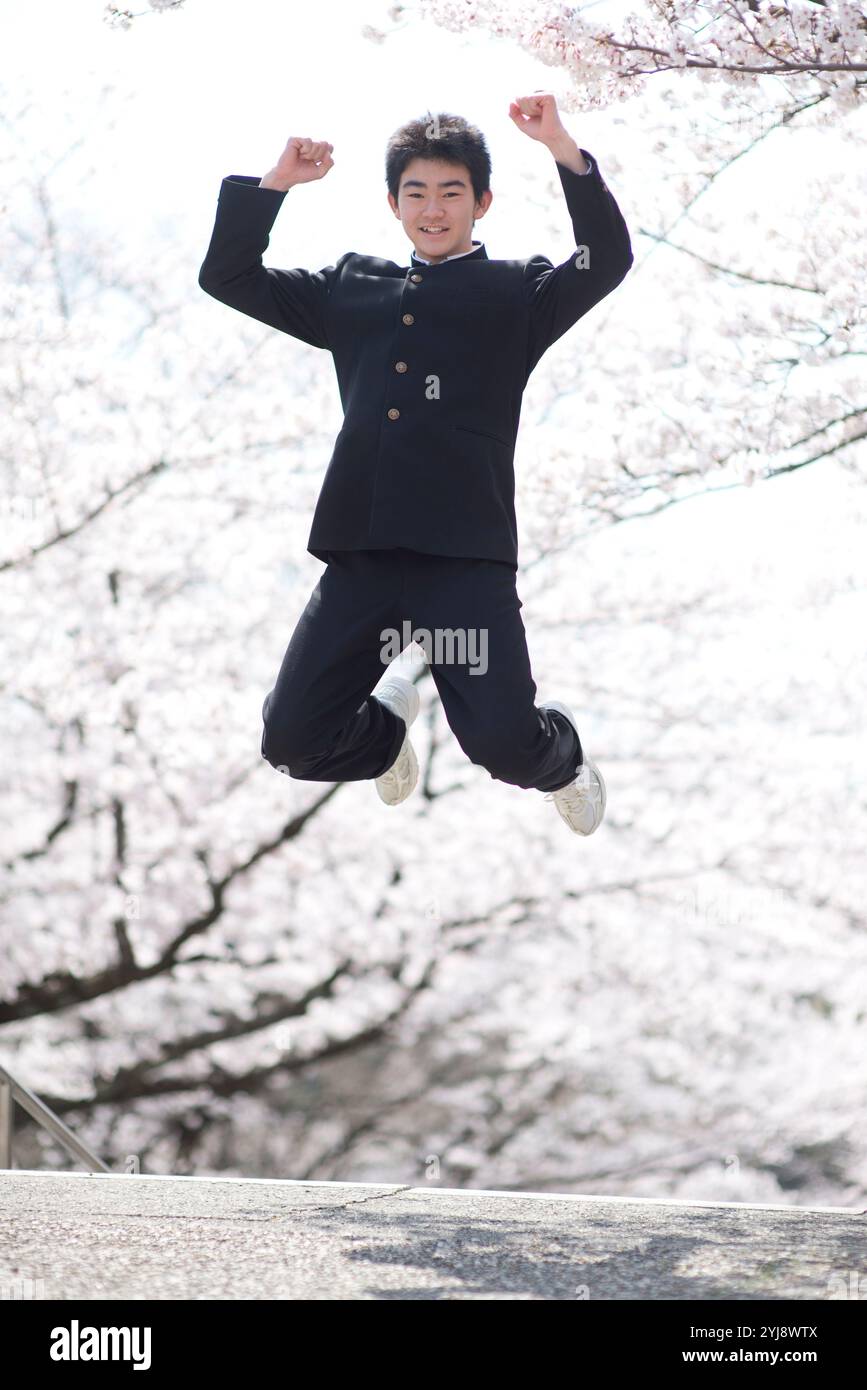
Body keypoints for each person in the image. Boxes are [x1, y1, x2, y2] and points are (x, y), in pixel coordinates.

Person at [198, 94, 633, 835]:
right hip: (362, 553)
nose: (433, 208)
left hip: (464, 560)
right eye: (416, 193)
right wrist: (276, 183)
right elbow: (228, 277)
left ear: (481, 202)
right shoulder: (350, 288)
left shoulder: (516, 293)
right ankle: (387, 726)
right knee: (292, 741)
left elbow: (606, 260)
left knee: (502, 747)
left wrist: (560, 145)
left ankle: (563, 762)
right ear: (394, 203)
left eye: (451, 192)